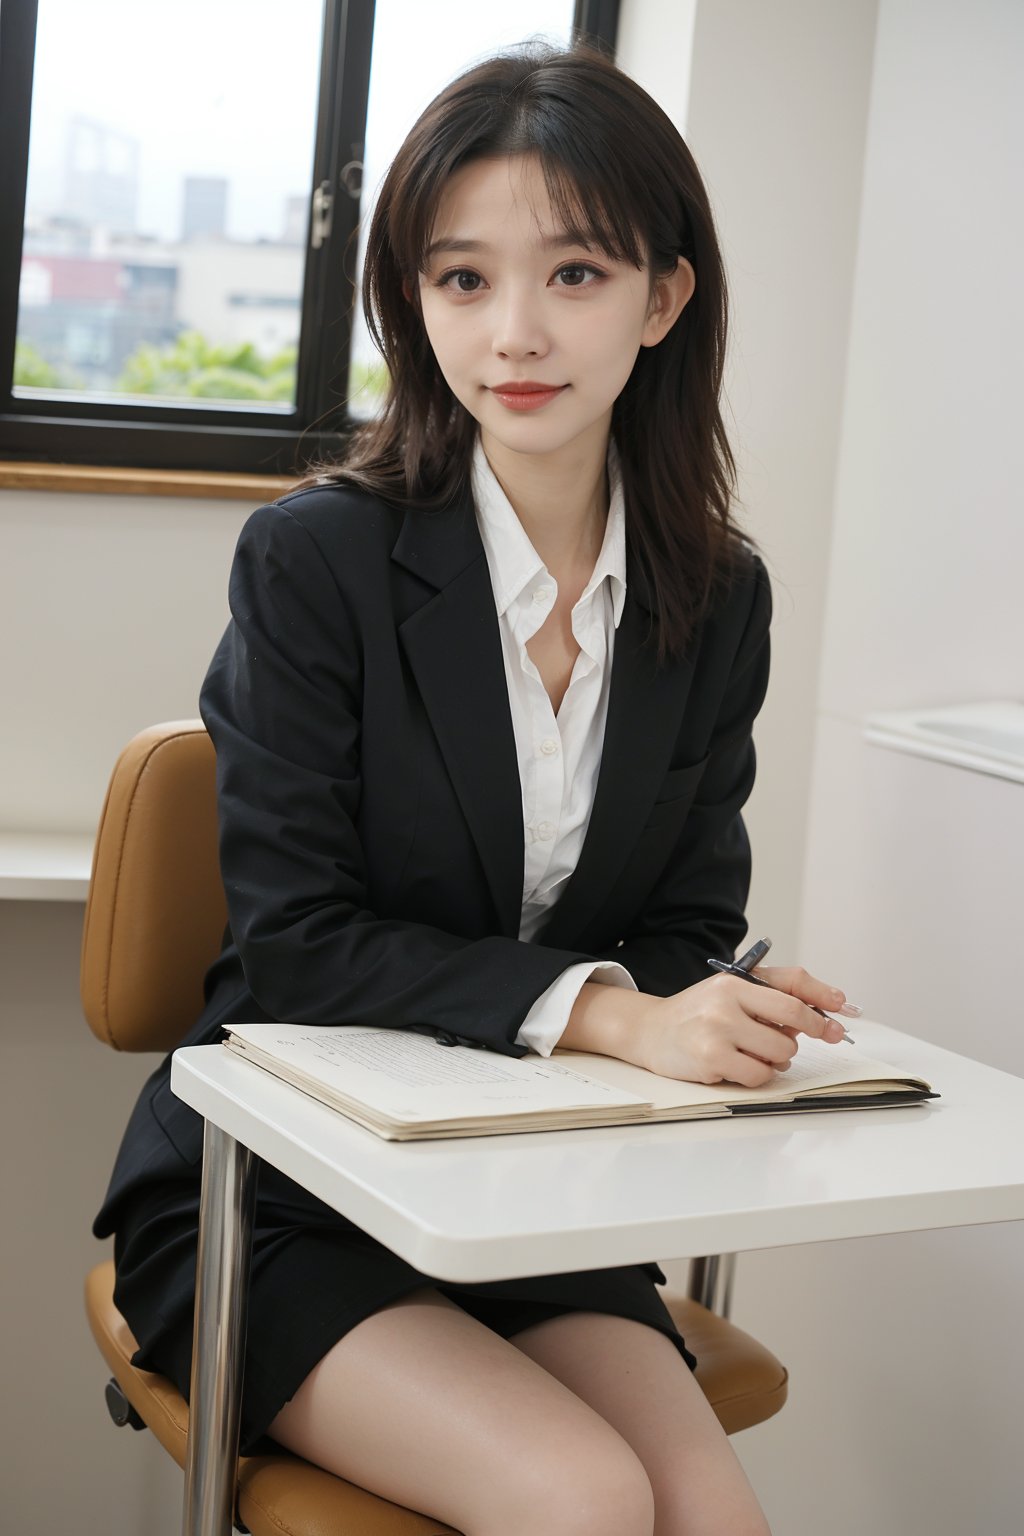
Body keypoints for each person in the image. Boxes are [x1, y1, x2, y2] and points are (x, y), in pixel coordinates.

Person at [94, 39, 857, 1536]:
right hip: (284, 1193)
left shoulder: (718, 597)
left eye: (573, 274)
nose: (515, 331)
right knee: (577, 1498)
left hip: (527, 1195)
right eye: (462, 280)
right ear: (414, 302)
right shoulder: (318, 560)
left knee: (714, 1518)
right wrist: (615, 1012)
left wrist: (715, 1007)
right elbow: (295, 946)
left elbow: (690, 915)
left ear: (665, 296)